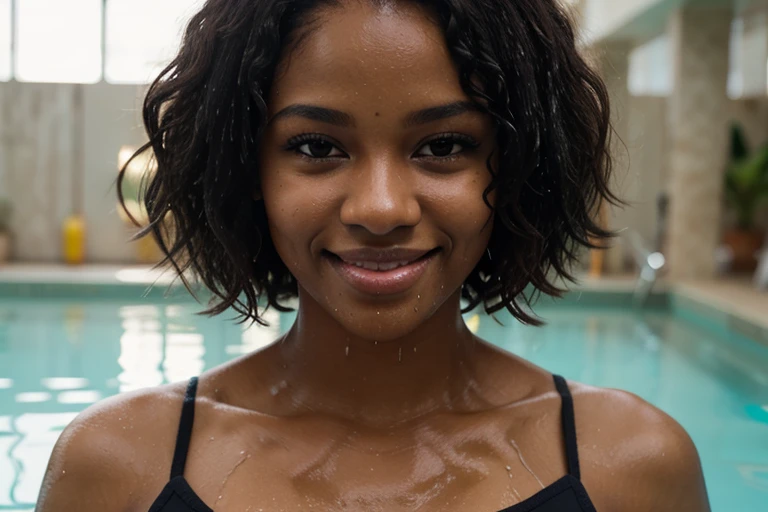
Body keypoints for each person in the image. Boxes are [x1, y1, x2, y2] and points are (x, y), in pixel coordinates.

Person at [36, 0, 710, 510]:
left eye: (444, 145)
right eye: (317, 147)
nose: (381, 208)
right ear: (244, 170)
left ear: (522, 164)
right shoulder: (119, 468)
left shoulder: (631, 470)